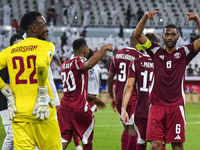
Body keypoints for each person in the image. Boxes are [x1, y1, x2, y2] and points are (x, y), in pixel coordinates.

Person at [134, 11, 200, 150]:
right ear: (163, 37)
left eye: (172, 34)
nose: (170, 37)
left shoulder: (184, 53)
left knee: (177, 146)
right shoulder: (155, 50)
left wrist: (197, 20)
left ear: (178, 36)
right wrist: (145, 17)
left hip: (176, 107)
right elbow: (138, 35)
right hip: (156, 106)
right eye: (167, 34)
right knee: (155, 145)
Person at [0, 11, 62, 150]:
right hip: (43, 111)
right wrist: (41, 92)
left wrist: (6, 91)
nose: (46, 29)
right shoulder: (46, 46)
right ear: (33, 28)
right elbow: (40, 64)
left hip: (19, 113)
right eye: (44, 25)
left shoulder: (10, 51)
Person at [57, 38, 112, 150]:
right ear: (85, 51)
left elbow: (76, 90)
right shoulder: (79, 62)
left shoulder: (65, 64)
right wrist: (104, 48)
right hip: (79, 108)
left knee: (63, 142)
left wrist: (94, 99)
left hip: (63, 109)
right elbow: (90, 64)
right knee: (87, 141)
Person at [121, 33, 166, 150]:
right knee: (160, 143)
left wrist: (123, 108)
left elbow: (129, 87)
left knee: (141, 141)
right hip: (159, 109)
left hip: (141, 110)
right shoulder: (163, 63)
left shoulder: (136, 62)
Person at [107, 31, 143, 150]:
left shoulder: (117, 54)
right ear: (137, 40)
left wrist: (111, 97)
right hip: (132, 97)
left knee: (126, 128)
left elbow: (110, 78)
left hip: (118, 98)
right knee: (133, 129)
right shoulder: (139, 57)